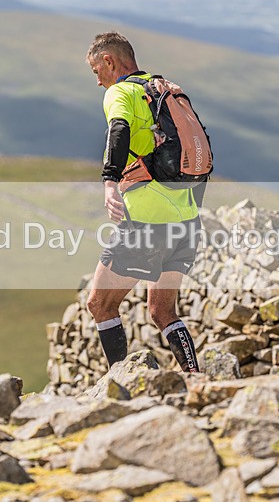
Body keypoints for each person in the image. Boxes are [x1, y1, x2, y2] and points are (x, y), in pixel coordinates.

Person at [84, 31, 205, 373]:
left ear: (109, 61)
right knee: (162, 312)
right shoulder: (164, 89)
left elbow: (118, 129)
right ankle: (196, 380)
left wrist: (110, 182)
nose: (98, 81)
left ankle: (121, 385)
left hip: (147, 222)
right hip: (187, 222)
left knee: (99, 304)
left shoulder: (120, 92)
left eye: (96, 71)